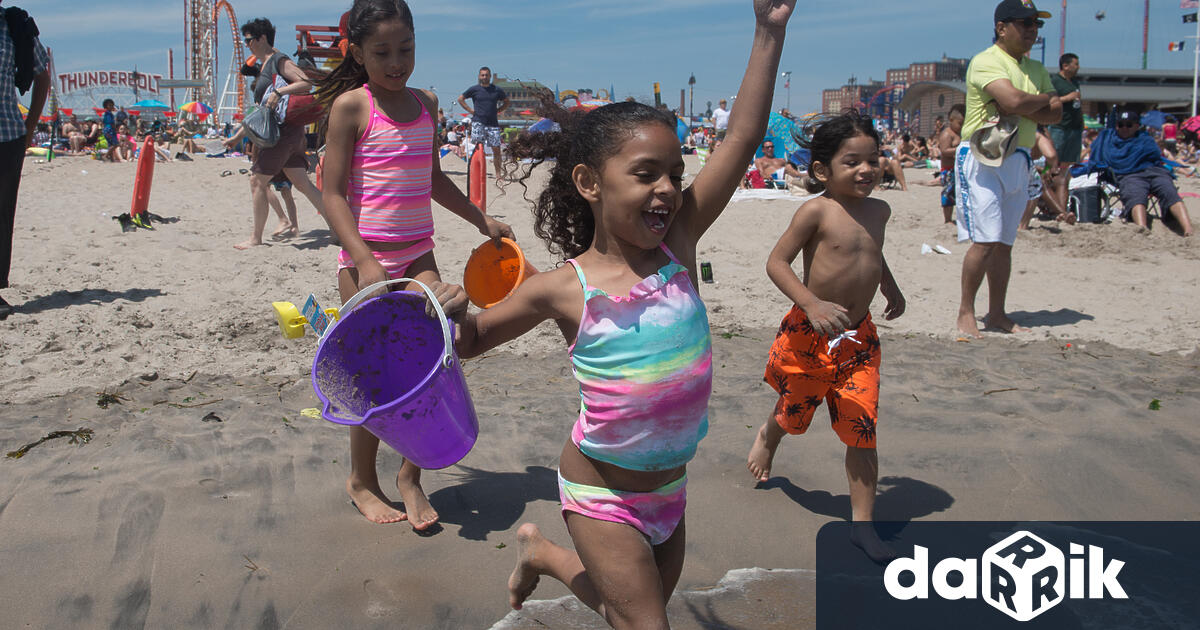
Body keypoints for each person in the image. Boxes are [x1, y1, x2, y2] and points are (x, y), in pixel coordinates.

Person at [447, 2, 793, 625]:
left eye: (675, 174)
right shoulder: (563, 288)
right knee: (646, 622)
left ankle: (542, 556)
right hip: (600, 490)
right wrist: (449, 306)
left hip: (669, 488)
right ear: (590, 183)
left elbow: (741, 139)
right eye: (645, 174)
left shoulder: (678, 245)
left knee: (626, 610)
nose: (667, 189)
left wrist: (769, 32)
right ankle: (554, 551)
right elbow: (469, 341)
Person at [314, 0, 514, 528]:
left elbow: (432, 179)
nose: (396, 62)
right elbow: (332, 195)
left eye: (406, 49)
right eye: (382, 52)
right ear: (358, 53)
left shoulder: (426, 103)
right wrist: (364, 260)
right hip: (363, 260)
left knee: (432, 362)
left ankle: (411, 475)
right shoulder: (352, 107)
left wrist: (480, 220)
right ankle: (362, 480)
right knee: (373, 376)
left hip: (418, 254)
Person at [746, 110, 905, 565]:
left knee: (862, 428)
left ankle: (862, 526)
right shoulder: (816, 210)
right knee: (797, 411)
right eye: (852, 162)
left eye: (873, 159)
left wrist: (890, 285)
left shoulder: (880, 210)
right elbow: (777, 262)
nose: (866, 170)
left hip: (859, 341)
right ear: (822, 170)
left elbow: (870, 251)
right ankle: (770, 435)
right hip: (810, 336)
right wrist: (811, 304)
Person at [955, 0, 1061, 338]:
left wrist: (1026, 103)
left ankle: (997, 313)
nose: (1033, 29)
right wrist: (1039, 100)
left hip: (1019, 156)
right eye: (1025, 23)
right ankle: (966, 312)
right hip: (983, 156)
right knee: (985, 240)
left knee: (1004, 242)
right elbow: (1016, 102)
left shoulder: (1035, 67)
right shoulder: (986, 61)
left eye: (1036, 24)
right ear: (1001, 28)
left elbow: (1055, 113)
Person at [227, 17, 327, 250]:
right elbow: (260, 111)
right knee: (303, 185)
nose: (247, 45)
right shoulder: (266, 65)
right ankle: (337, 228)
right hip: (290, 132)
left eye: (249, 40)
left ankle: (256, 238)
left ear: (262, 38)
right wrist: (237, 136)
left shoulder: (278, 60)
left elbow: (306, 83)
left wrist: (280, 92)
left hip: (282, 132)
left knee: (257, 181)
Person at [1, 1, 50, 320]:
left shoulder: (15, 26)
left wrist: (30, 127)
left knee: (2, 213)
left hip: (8, 133)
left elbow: (42, 75)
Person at [1091, 107, 1195, 237]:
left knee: (1170, 192)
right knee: (1136, 195)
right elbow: (1101, 161)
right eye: (1120, 124)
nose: (1124, 128)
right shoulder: (1109, 140)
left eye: (1129, 125)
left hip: (1153, 171)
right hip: (1127, 174)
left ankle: (1188, 230)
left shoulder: (1145, 139)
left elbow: (1156, 157)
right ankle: (1142, 229)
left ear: (1136, 126)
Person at [457, 66, 508, 180]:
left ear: (490, 76)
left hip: (493, 123)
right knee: (478, 148)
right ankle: (478, 172)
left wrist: (499, 110)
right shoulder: (474, 89)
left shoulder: (496, 90)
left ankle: (498, 174)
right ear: (479, 76)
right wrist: (470, 110)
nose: (484, 77)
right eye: (482, 75)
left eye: (486, 75)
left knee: (496, 149)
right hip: (478, 122)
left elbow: (507, 101)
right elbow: (460, 99)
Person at [1048, 53, 1082, 214]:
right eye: (1075, 64)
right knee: (1051, 163)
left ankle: (1062, 202)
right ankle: (1048, 198)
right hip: (1059, 127)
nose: (1078, 67)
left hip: (1074, 128)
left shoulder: (1075, 82)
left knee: (1067, 166)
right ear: (1065, 65)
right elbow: (1048, 101)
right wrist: (1067, 98)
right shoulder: (1055, 81)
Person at [937, 104, 965, 223]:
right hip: (948, 169)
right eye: (960, 123)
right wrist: (959, 149)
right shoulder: (947, 134)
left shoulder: (959, 134)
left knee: (958, 194)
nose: (961, 127)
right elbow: (944, 150)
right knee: (948, 193)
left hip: (958, 168)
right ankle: (947, 219)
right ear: (951, 120)